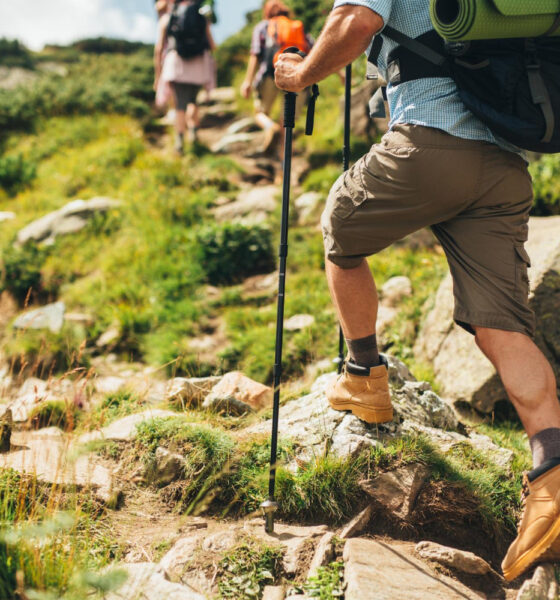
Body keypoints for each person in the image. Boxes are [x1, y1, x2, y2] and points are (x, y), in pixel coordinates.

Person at [274, 0, 560, 583]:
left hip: (431, 143)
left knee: (340, 228)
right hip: (504, 164)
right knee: (503, 328)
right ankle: (552, 482)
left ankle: (364, 378)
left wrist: (301, 75)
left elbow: (354, 23)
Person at [240, 0, 313, 153]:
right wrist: (339, 73)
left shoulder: (263, 26)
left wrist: (247, 81)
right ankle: (284, 162)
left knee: (260, 112)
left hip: (269, 73)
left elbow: (255, 55)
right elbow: (314, 50)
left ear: (266, 12)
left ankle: (270, 127)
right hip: (295, 74)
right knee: (286, 123)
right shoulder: (296, 26)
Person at [154, 0, 217, 154]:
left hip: (176, 64)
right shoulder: (201, 15)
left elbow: (159, 49)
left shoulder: (167, 18)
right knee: (193, 101)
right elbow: (212, 45)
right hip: (198, 64)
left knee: (180, 105)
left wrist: (158, 75)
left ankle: (180, 142)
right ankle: (194, 134)